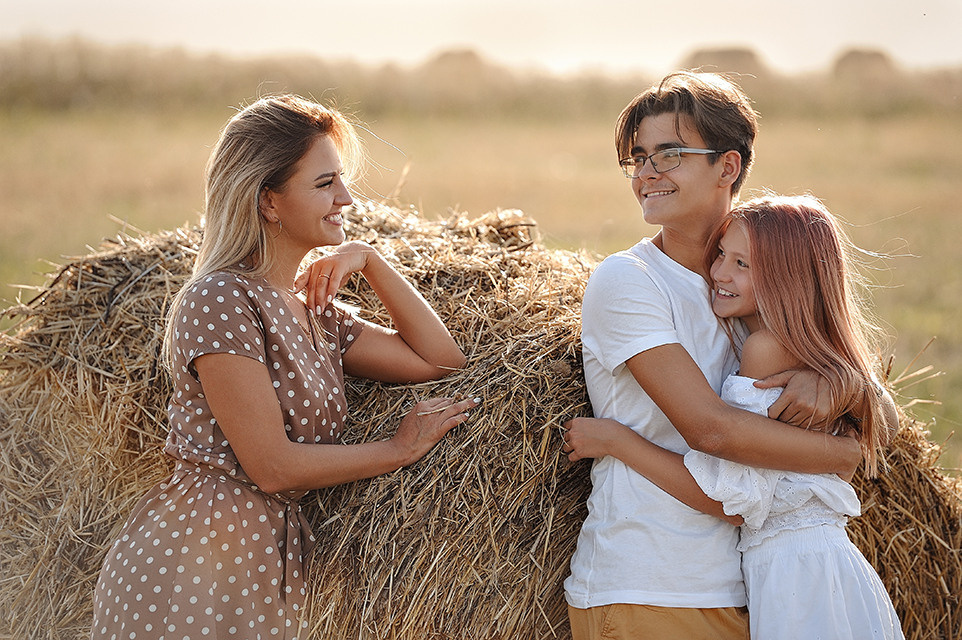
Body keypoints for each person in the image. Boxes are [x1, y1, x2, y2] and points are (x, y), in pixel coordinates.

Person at [90, 95, 476, 639]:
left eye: (341, 180)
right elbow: (270, 466)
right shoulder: (221, 299)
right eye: (324, 185)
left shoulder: (316, 310)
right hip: (196, 565)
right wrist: (399, 450)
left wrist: (372, 260)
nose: (345, 198)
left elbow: (441, 362)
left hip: (270, 565)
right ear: (268, 201)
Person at [559, 72, 896, 640]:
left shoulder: (747, 288)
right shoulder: (630, 281)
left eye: (669, 154)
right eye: (637, 158)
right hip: (652, 585)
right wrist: (841, 456)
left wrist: (849, 387)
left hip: (744, 589)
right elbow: (712, 430)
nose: (646, 173)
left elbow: (882, 415)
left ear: (728, 167)